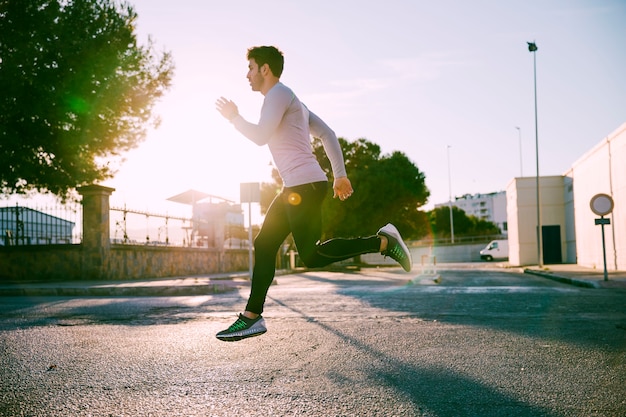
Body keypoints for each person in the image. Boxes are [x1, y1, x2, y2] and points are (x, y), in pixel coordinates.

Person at [214, 46, 412, 342]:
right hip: (295, 187)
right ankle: (252, 317)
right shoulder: (293, 101)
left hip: (304, 185)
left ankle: (383, 241)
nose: (248, 75)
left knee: (312, 255)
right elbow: (327, 134)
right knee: (265, 243)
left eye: (251, 68)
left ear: (265, 69)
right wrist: (340, 175)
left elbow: (259, 136)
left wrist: (234, 117)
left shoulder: (278, 94)